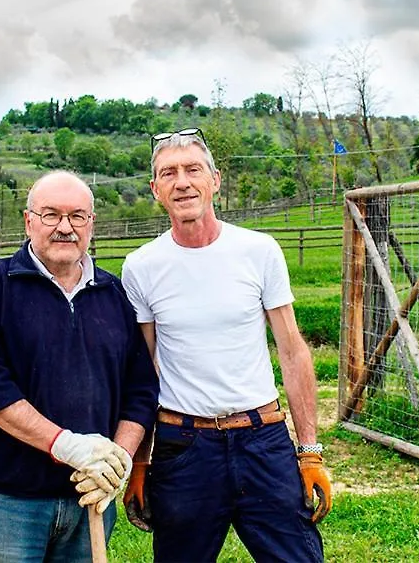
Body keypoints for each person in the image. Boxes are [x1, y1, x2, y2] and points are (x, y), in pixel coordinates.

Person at [120, 128, 332, 562]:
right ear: (155, 189)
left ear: (215, 180)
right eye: (169, 173)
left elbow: (292, 353)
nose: (182, 182)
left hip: (262, 440)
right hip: (184, 449)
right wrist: (141, 463)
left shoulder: (258, 251)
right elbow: (143, 371)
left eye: (193, 170)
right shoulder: (142, 267)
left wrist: (309, 452)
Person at [0, 170, 159, 562]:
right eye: (51, 215)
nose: (65, 227)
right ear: (29, 221)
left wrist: (116, 460)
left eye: (77, 216)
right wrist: (65, 445)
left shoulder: (112, 294)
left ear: (91, 224)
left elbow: (141, 390)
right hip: (12, 504)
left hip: (89, 500)